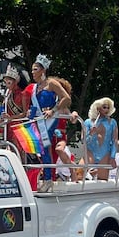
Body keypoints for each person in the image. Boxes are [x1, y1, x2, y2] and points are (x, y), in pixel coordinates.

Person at [29, 54, 72, 185]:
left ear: (43, 70)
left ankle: (49, 179)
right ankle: (47, 177)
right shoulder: (35, 87)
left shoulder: (51, 83)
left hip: (50, 119)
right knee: (41, 149)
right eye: (32, 69)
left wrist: (53, 110)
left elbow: (66, 98)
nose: (32, 72)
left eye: (35, 69)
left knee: (45, 146)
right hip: (39, 119)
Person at [0, 65, 31, 157]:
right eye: (6, 81)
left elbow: (24, 114)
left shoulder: (23, 94)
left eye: (9, 81)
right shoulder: (7, 94)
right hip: (7, 125)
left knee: (18, 150)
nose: (7, 83)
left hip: (18, 126)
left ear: (16, 81)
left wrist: (11, 118)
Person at [84, 98, 118, 180]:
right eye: (104, 107)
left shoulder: (112, 122)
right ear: (98, 108)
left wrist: (113, 156)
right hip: (90, 152)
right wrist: (91, 133)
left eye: (108, 108)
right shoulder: (88, 122)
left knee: (102, 180)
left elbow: (115, 141)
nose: (106, 110)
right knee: (80, 176)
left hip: (105, 153)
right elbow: (84, 141)